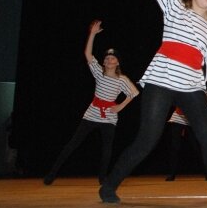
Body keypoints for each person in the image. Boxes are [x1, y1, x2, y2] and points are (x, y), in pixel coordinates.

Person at [99, 0, 207, 203]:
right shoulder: (175, 9)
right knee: (147, 139)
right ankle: (109, 186)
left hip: (192, 87)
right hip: (160, 82)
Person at [44, 20, 139, 185]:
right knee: (72, 144)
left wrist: (120, 106)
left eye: (112, 58)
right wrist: (92, 34)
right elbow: (88, 55)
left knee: (107, 149)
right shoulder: (99, 73)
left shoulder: (122, 79)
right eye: (107, 58)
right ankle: (52, 173)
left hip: (109, 117)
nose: (109, 60)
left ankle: (103, 178)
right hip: (92, 112)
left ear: (117, 62)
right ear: (103, 62)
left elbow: (134, 92)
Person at [163, 95, 207, 181]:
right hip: (178, 117)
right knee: (174, 146)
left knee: (197, 147)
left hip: (192, 119)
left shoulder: (200, 89)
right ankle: (171, 174)